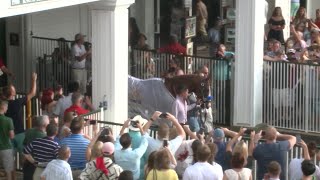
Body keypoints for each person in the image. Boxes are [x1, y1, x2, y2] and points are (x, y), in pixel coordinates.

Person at [23, 115, 50, 180]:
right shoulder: (45, 136)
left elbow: (24, 144)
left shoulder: (29, 131)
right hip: (39, 164)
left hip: (28, 163)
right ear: (45, 125)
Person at [0, 100, 15, 180]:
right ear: (3, 107)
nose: (7, 109)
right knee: (8, 171)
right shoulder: (8, 120)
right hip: (6, 147)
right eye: (7, 107)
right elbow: (12, 136)